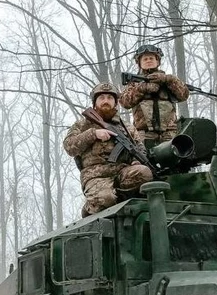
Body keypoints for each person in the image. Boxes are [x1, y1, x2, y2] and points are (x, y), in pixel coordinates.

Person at [64, 82, 154, 217]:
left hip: (122, 173)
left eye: (110, 98)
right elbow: (69, 146)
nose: (106, 101)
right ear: (95, 102)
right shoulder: (82, 125)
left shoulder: (127, 127)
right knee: (105, 199)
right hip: (96, 177)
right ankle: (91, 206)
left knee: (144, 172)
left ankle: (118, 199)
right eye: (101, 98)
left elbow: (139, 148)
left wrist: (136, 161)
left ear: (115, 103)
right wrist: (93, 134)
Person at [118, 44, 189, 147]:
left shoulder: (169, 81)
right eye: (145, 59)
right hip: (144, 133)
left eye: (151, 58)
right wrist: (143, 88)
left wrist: (168, 79)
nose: (148, 60)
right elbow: (125, 102)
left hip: (169, 133)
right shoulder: (134, 83)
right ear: (139, 63)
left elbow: (184, 95)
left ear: (157, 61)